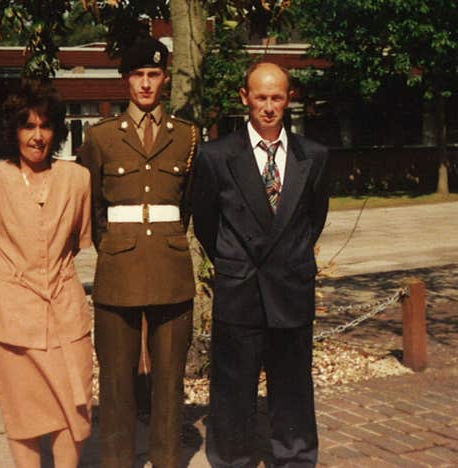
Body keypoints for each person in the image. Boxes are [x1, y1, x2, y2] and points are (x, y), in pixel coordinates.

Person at [192, 62, 329, 467]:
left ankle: (297, 458)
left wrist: (289, 258)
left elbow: (312, 220)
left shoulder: (314, 156)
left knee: (293, 389)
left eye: (276, 98)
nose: (268, 107)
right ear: (244, 98)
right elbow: (205, 224)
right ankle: (232, 459)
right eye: (260, 97)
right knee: (233, 391)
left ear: (289, 99)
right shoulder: (216, 156)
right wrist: (234, 263)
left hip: (290, 287)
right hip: (241, 289)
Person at [79, 35, 199, 468]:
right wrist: (114, 247)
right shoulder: (101, 137)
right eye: (137, 75)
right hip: (118, 271)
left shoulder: (186, 135)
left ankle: (168, 461)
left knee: (169, 383)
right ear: (125, 79)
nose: (145, 84)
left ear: (164, 79)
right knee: (116, 382)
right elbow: (92, 209)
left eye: (153, 74)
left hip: (171, 268)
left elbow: (185, 206)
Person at [0, 81, 93, 468]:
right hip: (11, 324)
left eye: (45, 126)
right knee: (23, 417)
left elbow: (77, 241)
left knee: (76, 411)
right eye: (27, 126)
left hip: (67, 315)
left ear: (56, 131)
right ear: (13, 131)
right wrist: (9, 285)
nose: (37, 136)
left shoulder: (77, 179)